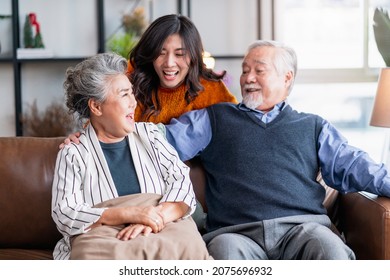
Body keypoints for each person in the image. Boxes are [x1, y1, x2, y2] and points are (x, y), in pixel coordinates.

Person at [161, 39, 390, 260]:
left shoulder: (313, 126)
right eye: (244, 70)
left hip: (303, 228)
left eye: (259, 71)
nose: (248, 78)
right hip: (235, 233)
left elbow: (354, 165)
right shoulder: (214, 118)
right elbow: (160, 144)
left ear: (287, 78)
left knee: (330, 248)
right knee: (224, 252)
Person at [51, 53, 201, 260]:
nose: (133, 102)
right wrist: (129, 213)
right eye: (124, 95)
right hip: (105, 243)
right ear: (96, 106)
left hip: (161, 233)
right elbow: (65, 214)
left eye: (131, 93)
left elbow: (182, 184)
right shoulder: (73, 153)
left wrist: (151, 219)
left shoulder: (151, 136)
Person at [128, 14, 237, 124]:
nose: (169, 63)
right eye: (161, 53)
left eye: (179, 54)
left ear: (193, 56)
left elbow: (237, 130)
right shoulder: (130, 78)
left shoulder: (210, 89)